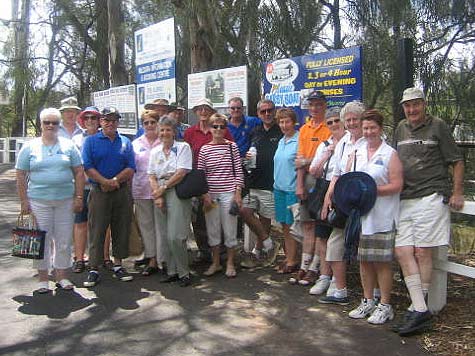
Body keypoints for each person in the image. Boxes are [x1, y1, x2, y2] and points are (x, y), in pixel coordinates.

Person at [392, 87, 464, 335]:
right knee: (402, 251)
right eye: (408, 106)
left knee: (423, 252)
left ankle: (416, 309)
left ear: (424, 104)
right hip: (405, 199)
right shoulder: (400, 128)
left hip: (432, 197)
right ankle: (421, 309)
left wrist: (456, 192)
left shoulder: (438, 126)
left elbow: (456, 160)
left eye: (416, 105)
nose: (412, 110)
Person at [344, 109, 403, 324]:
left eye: (372, 128)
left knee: (381, 262)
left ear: (380, 129)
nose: (368, 132)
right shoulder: (357, 152)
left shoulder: (389, 154)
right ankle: (367, 300)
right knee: (364, 261)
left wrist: (372, 190)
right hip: (362, 217)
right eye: (365, 127)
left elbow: (397, 185)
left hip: (383, 217)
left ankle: (385, 305)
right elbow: (348, 179)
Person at [16, 107, 84, 293]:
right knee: (41, 240)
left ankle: (62, 276)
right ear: (41, 124)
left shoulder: (68, 146)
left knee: (63, 240)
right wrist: (24, 201)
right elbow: (21, 175)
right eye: (47, 122)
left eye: (55, 122)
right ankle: (43, 278)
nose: (51, 126)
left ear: (59, 125)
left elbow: (79, 172)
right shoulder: (30, 147)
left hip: (65, 201)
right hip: (39, 201)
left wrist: (79, 197)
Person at [319, 100, 367, 305]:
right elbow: (336, 174)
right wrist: (328, 197)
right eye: (348, 120)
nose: (352, 123)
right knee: (334, 245)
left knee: (367, 250)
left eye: (355, 119)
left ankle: (371, 294)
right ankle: (340, 291)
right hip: (344, 203)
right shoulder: (344, 143)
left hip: (366, 203)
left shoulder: (372, 139)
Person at [82, 106, 136, 287]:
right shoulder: (91, 141)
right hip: (99, 192)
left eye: (114, 120)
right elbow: (87, 166)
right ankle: (94, 268)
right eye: (106, 120)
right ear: (101, 122)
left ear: (118, 122)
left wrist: (114, 181)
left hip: (121, 191)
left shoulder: (126, 142)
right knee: (97, 229)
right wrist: (104, 182)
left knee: (121, 228)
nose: (110, 123)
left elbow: (131, 166)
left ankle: (118, 264)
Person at [184, 98, 234, 263]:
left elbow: (231, 153)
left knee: (222, 219)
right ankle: (205, 251)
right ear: (196, 111)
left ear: (211, 111)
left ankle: (223, 254)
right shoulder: (190, 132)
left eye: (206, 108)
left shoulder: (222, 129)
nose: (203, 112)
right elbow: (186, 154)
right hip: (197, 180)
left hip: (221, 182)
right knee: (200, 218)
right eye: (200, 109)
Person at [148, 116, 193, 287]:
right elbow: (151, 174)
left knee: (176, 235)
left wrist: (163, 188)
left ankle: (184, 272)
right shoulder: (155, 151)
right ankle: (172, 271)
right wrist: (157, 194)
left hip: (176, 190)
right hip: (159, 190)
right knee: (165, 235)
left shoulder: (183, 148)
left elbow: (181, 172)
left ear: (174, 132)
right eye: (162, 130)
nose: (165, 133)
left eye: (168, 130)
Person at [198, 113, 244, 278]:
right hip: (211, 194)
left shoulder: (232, 147)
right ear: (210, 128)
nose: (218, 129)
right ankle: (216, 262)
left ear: (226, 129)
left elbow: (238, 172)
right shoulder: (205, 149)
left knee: (230, 230)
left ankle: (230, 262)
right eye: (215, 126)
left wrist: (237, 194)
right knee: (213, 230)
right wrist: (205, 195)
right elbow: (201, 175)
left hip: (228, 193)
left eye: (221, 126)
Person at [293, 90, 331, 286]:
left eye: (319, 104)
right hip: (306, 180)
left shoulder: (330, 127)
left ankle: (315, 269)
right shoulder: (304, 129)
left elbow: (328, 161)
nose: (315, 108)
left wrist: (308, 161)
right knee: (307, 225)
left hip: (324, 181)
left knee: (320, 227)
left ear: (325, 105)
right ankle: (304, 266)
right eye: (312, 104)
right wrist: (299, 184)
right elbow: (299, 162)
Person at [308, 107, 347, 295]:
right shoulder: (324, 145)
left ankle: (336, 280)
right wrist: (327, 154)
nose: (333, 125)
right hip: (323, 188)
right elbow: (313, 171)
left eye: (336, 120)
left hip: (343, 191)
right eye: (329, 122)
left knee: (338, 238)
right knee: (322, 236)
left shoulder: (352, 142)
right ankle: (324, 277)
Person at [240, 99, 282, 269]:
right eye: (263, 111)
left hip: (270, 183)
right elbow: (248, 155)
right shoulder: (255, 131)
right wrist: (246, 160)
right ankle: (269, 244)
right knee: (244, 211)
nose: (267, 114)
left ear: (274, 111)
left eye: (270, 110)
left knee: (265, 219)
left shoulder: (281, 131)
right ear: (258, 114)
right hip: (253, 182)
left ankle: (258, 251)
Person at [71, 106, 102, 273]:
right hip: (81, 188)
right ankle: (79, 258)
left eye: (94, 118)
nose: (90, 121)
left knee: (101, 224)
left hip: (99, 187)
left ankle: (103, 257)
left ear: (99, 121)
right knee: (80, 223)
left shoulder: (105, 137)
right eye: (87, 118)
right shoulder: (76, 139)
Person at [132, 110, 162, 276]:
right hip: (141, 190)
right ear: (142, 125)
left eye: (153, 122)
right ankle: (151, 258)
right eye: (146, 123)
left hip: (160, 192)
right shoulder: (135, 144)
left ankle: (161, 257)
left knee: (160, 226)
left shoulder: (164, 142)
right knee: (146, 226)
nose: (150, 125)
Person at [273, 108, 300, 274]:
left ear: (293, 122)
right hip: (279, 188)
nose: (284, 125)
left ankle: (293, 260)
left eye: (287, 121)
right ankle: (290, 257)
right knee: (284, 226)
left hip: (292, 189)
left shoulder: (299, 140)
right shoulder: (281, 140)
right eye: (281, 122)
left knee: (293, 227)